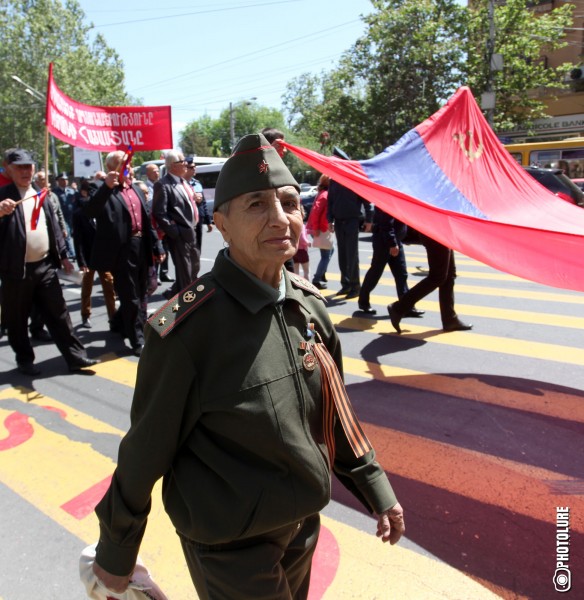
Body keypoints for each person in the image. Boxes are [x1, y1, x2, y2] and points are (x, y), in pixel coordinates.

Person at [91, 133, 405, 599]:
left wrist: (374, 486)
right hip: (228, 546)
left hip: (302, 529)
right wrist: (115, 553)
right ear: (221, 224)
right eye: (256, 205)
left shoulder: (310, 307)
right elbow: (144, 451)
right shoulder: (186, 330)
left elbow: (335, 412)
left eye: (289, 202)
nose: (281, 219)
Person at [0, 149, 98, 375]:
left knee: (60, 313)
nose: (25, 171)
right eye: (20, 167)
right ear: (9, 169)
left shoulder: (41, 194)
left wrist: (64, 256)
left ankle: (76, 357)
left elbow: (53, 227)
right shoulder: (3, 195)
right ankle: (24, 360)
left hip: (45, 266)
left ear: (34, 169)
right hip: (16, 270)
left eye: (29, 166)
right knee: (17, 319)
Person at [85, 151, 165, 357]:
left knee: (141, 291)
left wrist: (157, 247)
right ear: (113, 169)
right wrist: (106, 187)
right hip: (120, 251)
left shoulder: (136, 189)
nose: (129, 170)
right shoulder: (103, 189)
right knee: (130, 297)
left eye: (129, 166)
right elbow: (89, 212)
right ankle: (137, 338)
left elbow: (147, 219)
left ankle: (119, 323)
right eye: (124, 166)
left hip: (141, 246)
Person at [387, 234, 473, 333]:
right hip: (436, 232)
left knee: (449, 275)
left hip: (443, 232)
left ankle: (450, 319)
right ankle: (398, 307)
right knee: (437, 277)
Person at [357, 207, 425, 317]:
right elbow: (386, 224)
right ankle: (363, 302)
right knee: (375, 272)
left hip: (395, 241)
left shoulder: (397, 199)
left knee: (401, 274)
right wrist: (392, 244)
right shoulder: (388, 201)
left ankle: (406, 306)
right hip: (384, 242)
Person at [152, 150, 200, 298]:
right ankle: (187, 309)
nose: (186, 164)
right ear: (172, 166)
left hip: (192, 232)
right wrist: (174, 231)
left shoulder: (182, 181)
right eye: (182, 162)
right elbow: (159, 212)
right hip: (179, 235)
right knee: (185, 273)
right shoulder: (163, 184)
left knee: (194, 268)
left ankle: (177, 296)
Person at [327, 148, 372, 298]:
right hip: (339, 222)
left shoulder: (353, 178)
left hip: (352, 221)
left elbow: (367, 200)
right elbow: (330, 201)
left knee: (352, 255)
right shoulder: (333, 180)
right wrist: (329, 220)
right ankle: (345, 284)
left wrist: (369, 220)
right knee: (342, 256)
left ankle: (355, 286)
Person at [72, 181, 116, 329]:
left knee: (109, 288)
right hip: (88, 257)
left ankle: (113, 317)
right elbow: (77, 240)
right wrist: (81, 261)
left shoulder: (105, 210)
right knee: (87, 288)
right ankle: (86, 315)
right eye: (90, 192)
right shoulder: (79, 214)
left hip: (104, 257)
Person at [306, 174, 334, 290]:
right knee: (326, 256)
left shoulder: (322, 193)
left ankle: (321, 273)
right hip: (320, 229)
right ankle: (317, 279)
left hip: (320, 228)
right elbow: (316, 212)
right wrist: (316, 228)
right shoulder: (325, 195)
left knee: (330, 251)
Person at [185, 157, 213, 251]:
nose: (194, 169)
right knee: (189, 249)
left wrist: (208, 221)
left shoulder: (197, 183)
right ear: (186, 169)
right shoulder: (181, 184)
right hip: (187, 220)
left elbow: (203, 203)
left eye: (194, 167)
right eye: (191, 167)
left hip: (199, 219)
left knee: (198, 247)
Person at [52, 171, 77, 259]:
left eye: (66, 179)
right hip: (63, 217)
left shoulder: (71, 191)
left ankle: (69, 251)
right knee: (67, 234)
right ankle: (72, 253)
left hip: (72, 216)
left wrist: (76, 190)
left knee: (71, 234)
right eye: (62, 180)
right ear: (58, 181)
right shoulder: (54, 192)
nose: (65, 181)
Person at [293, 205, 310, 278]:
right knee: (306, 270)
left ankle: (297, 286)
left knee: (295, 271)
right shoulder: (302, 225)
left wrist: (310, 231)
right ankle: (307, 286)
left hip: (294, 251)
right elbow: (302, 238)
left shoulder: (293, 225)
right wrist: (307, 242)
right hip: (302, 251)